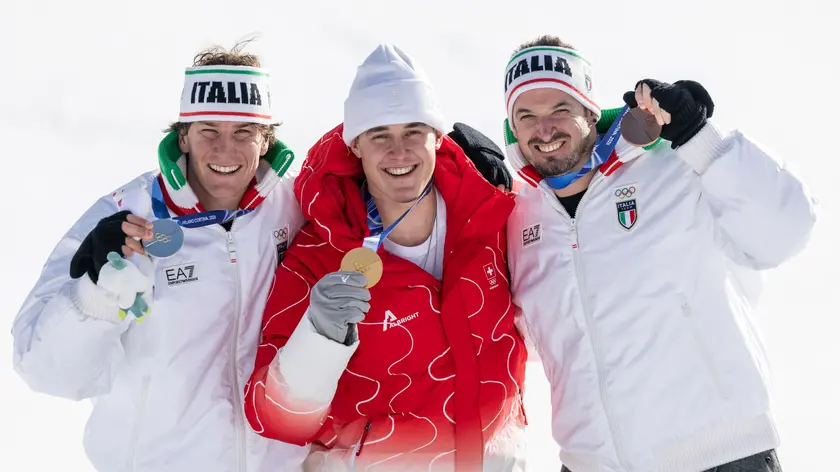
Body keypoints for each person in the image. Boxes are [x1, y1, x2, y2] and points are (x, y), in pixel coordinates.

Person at [501, 35, 818, 472]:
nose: (545, 129)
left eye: (560, 108)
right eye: (527, 115)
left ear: (591, 110)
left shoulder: (670, 162)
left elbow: (786, 228)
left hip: (721, 455)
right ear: (512, 128)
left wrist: (700, 138)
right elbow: (537, 344)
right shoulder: (519, 217)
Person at [11, 42, 310, 472]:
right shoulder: (126, 215)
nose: (225, 150)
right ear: (183, 135)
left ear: (265, 141)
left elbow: (388, 213)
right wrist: (95, 296)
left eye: (243, 132)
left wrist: (443, 170)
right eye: (209, 130)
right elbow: (43, 371)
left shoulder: (298, 207)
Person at [243, 44, 528, 472]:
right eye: (380, 135)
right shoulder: (318, 256)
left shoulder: (492, 220)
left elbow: (581, 227)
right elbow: (274, 418)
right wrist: (318, 338)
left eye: (414, 131)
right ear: (355, 145)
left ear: (438, 137)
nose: (399, 152)